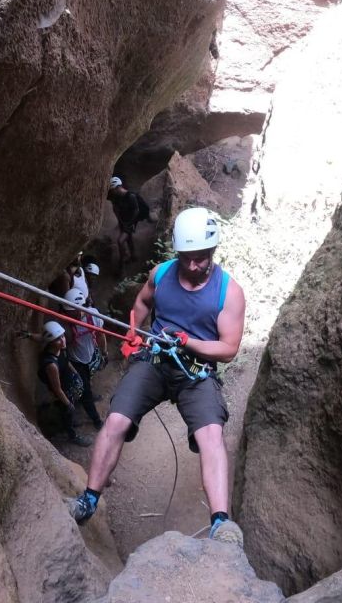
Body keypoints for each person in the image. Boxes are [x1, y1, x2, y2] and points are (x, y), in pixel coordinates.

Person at [69, 207, 246, 545]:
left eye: (200, 258)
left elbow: (228, 348)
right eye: (186, 258)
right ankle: (88, 500)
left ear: (212, 252)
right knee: (117, 419)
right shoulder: (162, 274)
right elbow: (141, 304)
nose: (192, 265)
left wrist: (188, 341)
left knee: (211, 434)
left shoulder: (228, 292)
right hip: (155, 361)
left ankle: (221, 523)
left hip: (195, 371)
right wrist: (133, 331)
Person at [34, 321, 92, 447]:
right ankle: (72, 435)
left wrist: (75, 373)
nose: (63, 341)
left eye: (63, 336)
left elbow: (66, 361)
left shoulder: (60, 349)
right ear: (51, 342)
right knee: (66, 412)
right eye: (58, 339)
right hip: (62, 391)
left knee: (69, 409)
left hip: (68, 383)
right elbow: (57, 389)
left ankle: (68, 418)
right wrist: (68, 404)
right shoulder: (51, 365)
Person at [61, 287, 107, 430]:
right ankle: (96, 420)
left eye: (70, 311)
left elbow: (100, 335)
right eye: (66, 311)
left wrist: (104, 352)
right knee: (85, 391)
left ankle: (86, 395)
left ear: (78, 308)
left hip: (90, 355)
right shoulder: (65, 322)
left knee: (88, 379)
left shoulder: (93, 316)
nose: (67, 313)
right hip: (76, 361)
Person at [107, 176, 140, 272]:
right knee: (129, 238)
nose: (112, 192)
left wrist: (129, 223)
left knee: (120, 241)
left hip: (130, 222)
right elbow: (116, 208)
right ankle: (133, 255)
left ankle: (121, 264)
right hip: (123, 222)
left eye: (112, 189)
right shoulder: (117, 198)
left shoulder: (131, 196)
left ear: (117, 187)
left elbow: (136, 210)